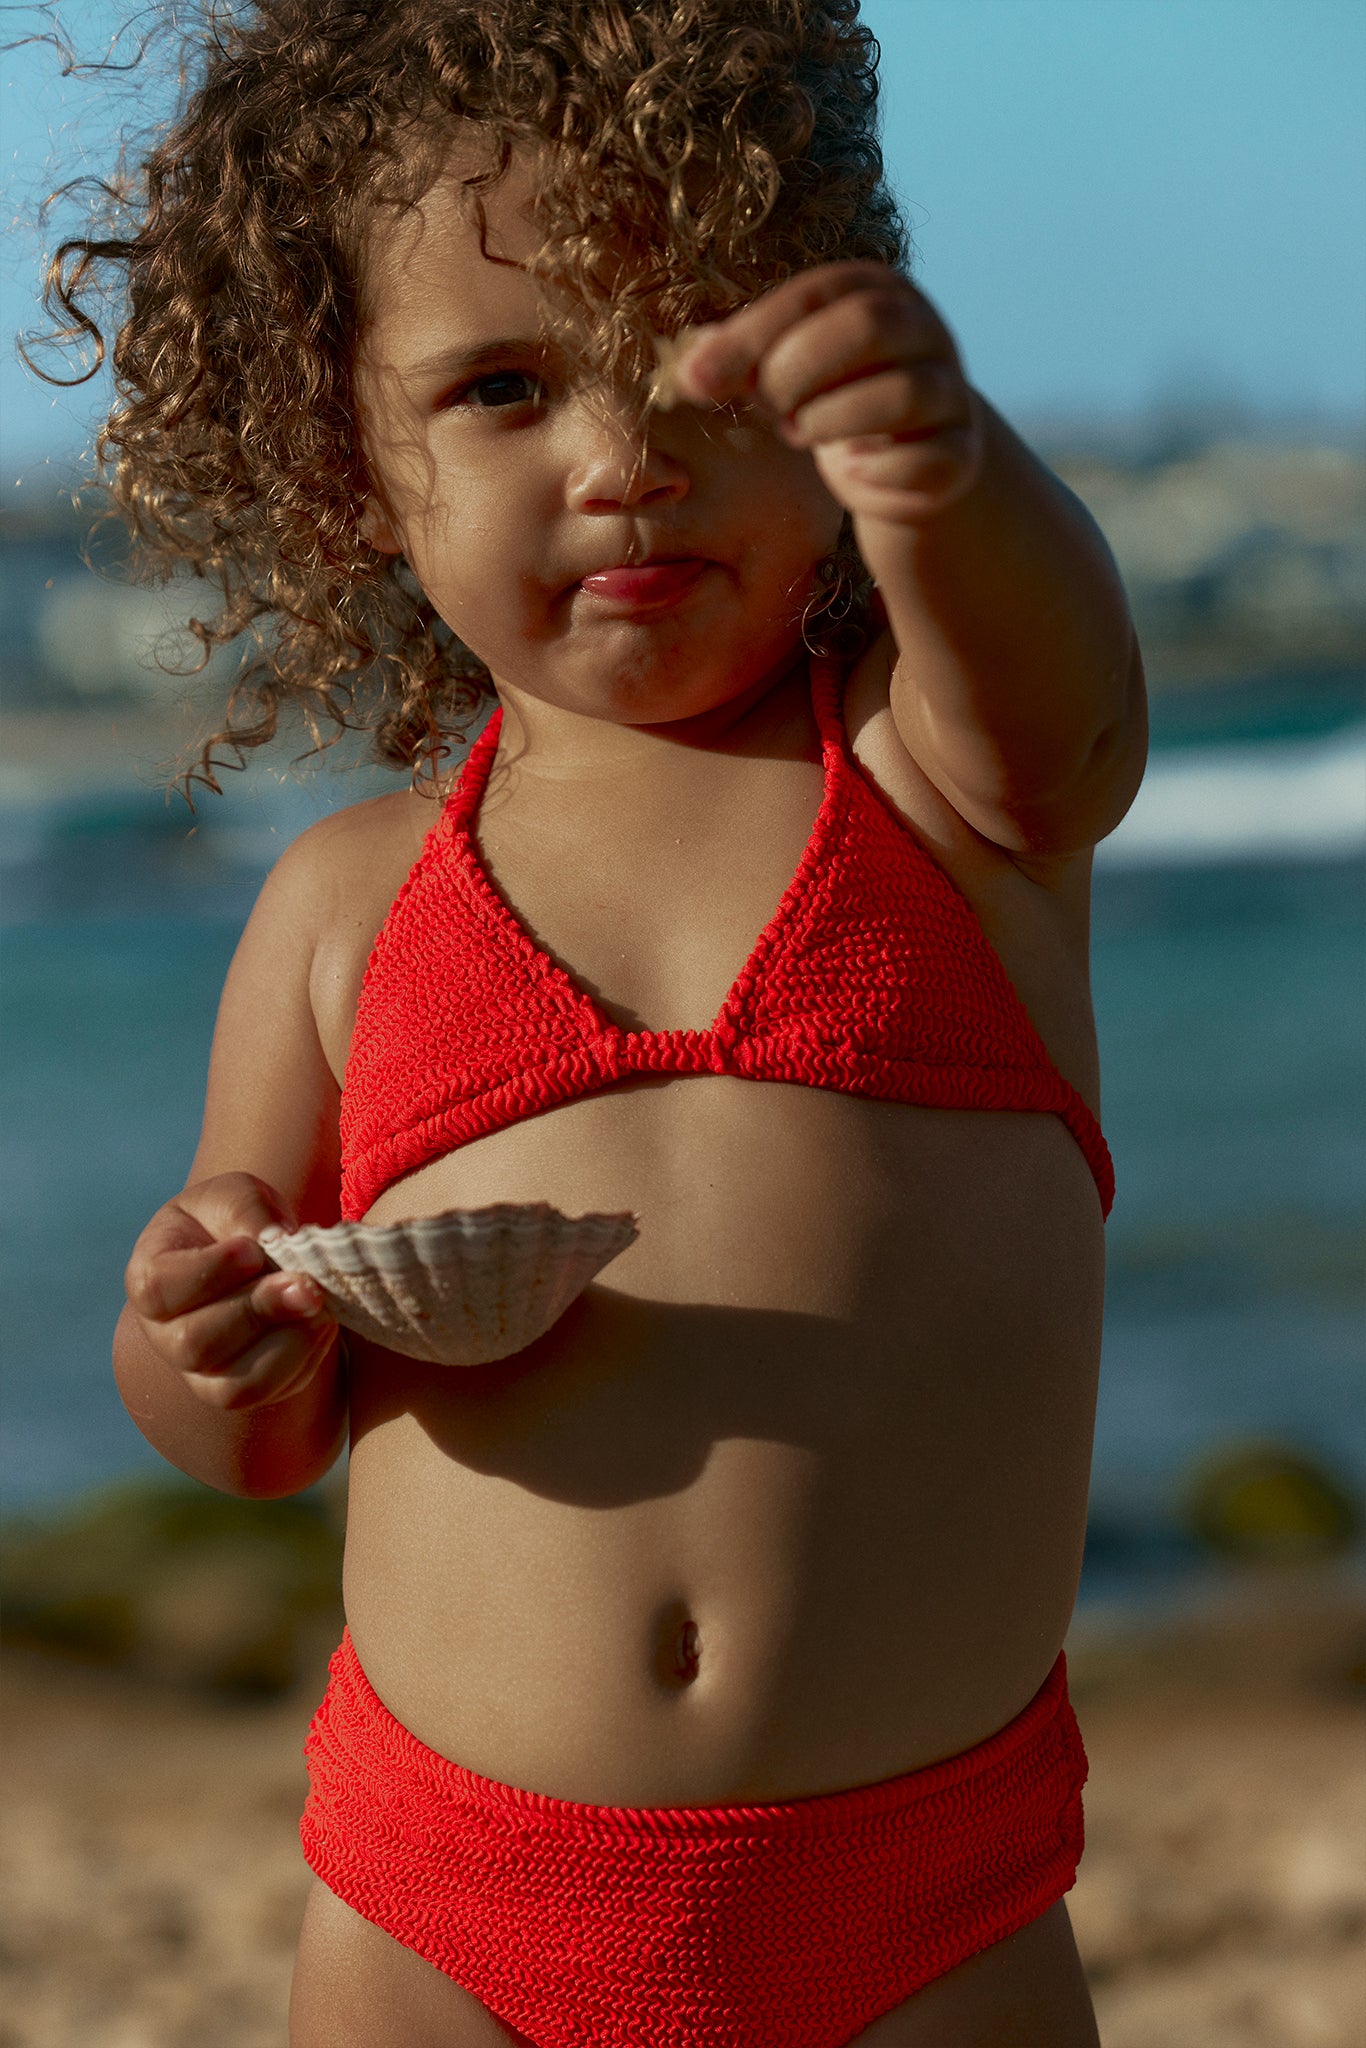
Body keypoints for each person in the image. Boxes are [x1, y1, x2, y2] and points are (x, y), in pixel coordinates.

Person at [81, 2, 1145, 2041]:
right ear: (344, 464)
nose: (621, 456)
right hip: (442, 1911)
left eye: (698, 358)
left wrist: (947, 466)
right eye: (501, 386)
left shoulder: (942, 787)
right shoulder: (346, 905)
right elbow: (245, 1432)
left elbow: (1066, 695)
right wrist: (192, 1326)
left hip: (918, 1903)